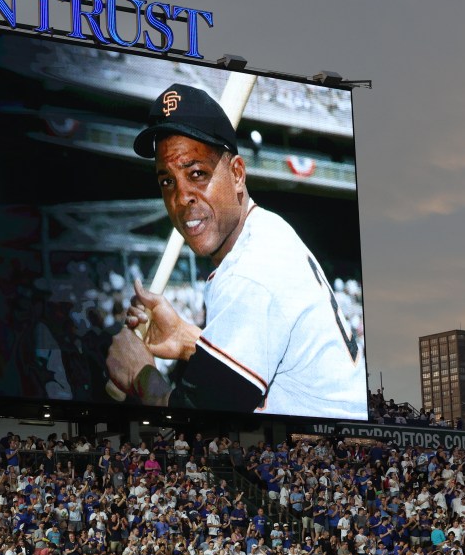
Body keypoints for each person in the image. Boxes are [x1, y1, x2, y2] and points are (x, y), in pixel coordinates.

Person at [106, 83, 366, 418]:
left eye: (197, 173)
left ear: (237, 174)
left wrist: (139, 373)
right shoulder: (267, 230)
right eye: (167, 181)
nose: (181, 197)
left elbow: (199, 423)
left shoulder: (250, 272)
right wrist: (187, 339)